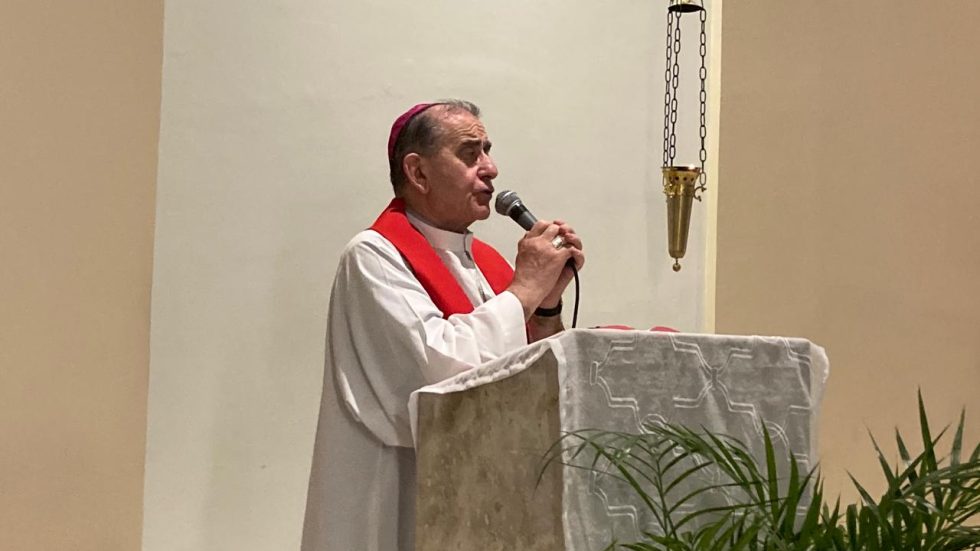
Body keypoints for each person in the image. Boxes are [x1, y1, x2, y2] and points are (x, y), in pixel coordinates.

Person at [301, 99, 584, 551]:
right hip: (396, 494)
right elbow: (438, 371)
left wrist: (546, 307)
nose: (490, 168)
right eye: (470, 153)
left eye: (487, 151)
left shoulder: (486, 264)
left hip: (487, 497)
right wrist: (527, 289)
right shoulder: (374, 255)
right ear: (418, 172)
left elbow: (529, 383)